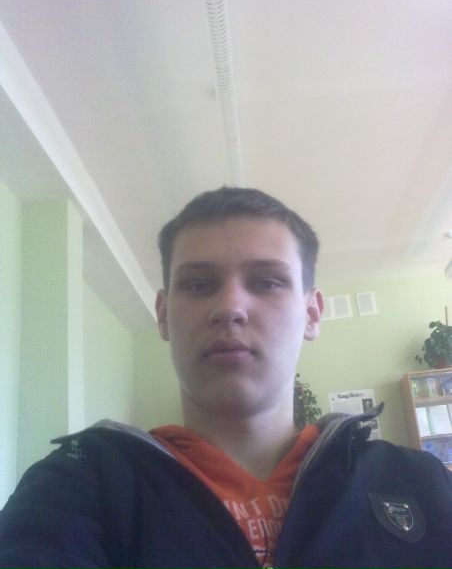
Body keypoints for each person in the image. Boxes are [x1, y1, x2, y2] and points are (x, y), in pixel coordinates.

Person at [0, 186, 451, 569]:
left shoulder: (420, 483)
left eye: (267, 282)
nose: (230, 307)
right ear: (163, 315)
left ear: (312, 314)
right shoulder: (75, 486)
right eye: (199, 285)